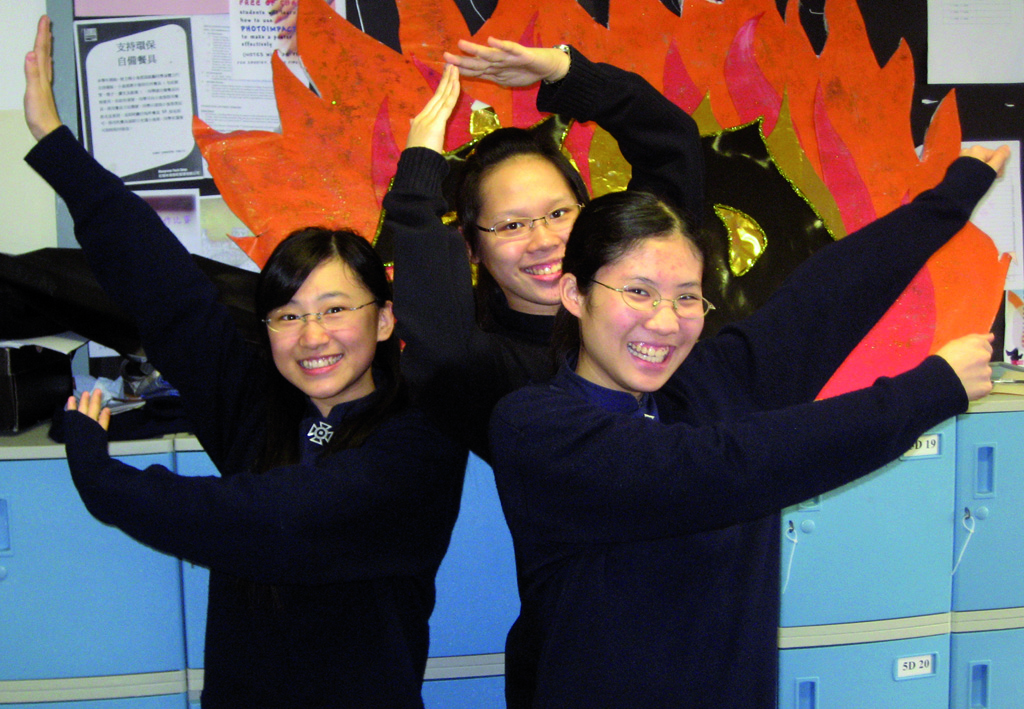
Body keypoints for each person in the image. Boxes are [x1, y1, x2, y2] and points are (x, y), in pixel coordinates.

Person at [24, 16, 465, 709]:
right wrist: (56, 144)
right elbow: (166, 291)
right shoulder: (256, 408)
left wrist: (104, 479)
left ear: (384, 320)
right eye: (287, 315)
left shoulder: (420, 437)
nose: (312, 335)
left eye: (335, 309)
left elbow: (281, 519)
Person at [487, 144, 1008, 708]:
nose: (664, 321)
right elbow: (721, 467)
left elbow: (825, 299)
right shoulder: (537, 428)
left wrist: (949, 200)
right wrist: (928, 391)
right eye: (638, 292)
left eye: (687, 297)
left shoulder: (709, 386)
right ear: (575, 294)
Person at [386, 38, 704, 460]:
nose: (544, 241)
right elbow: (439, 346)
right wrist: (416, 180)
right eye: (511, 225)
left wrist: (566, 72)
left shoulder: (645, 302)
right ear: (471, 247)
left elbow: (672, 149)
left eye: (558, 213)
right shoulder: (487, 368)